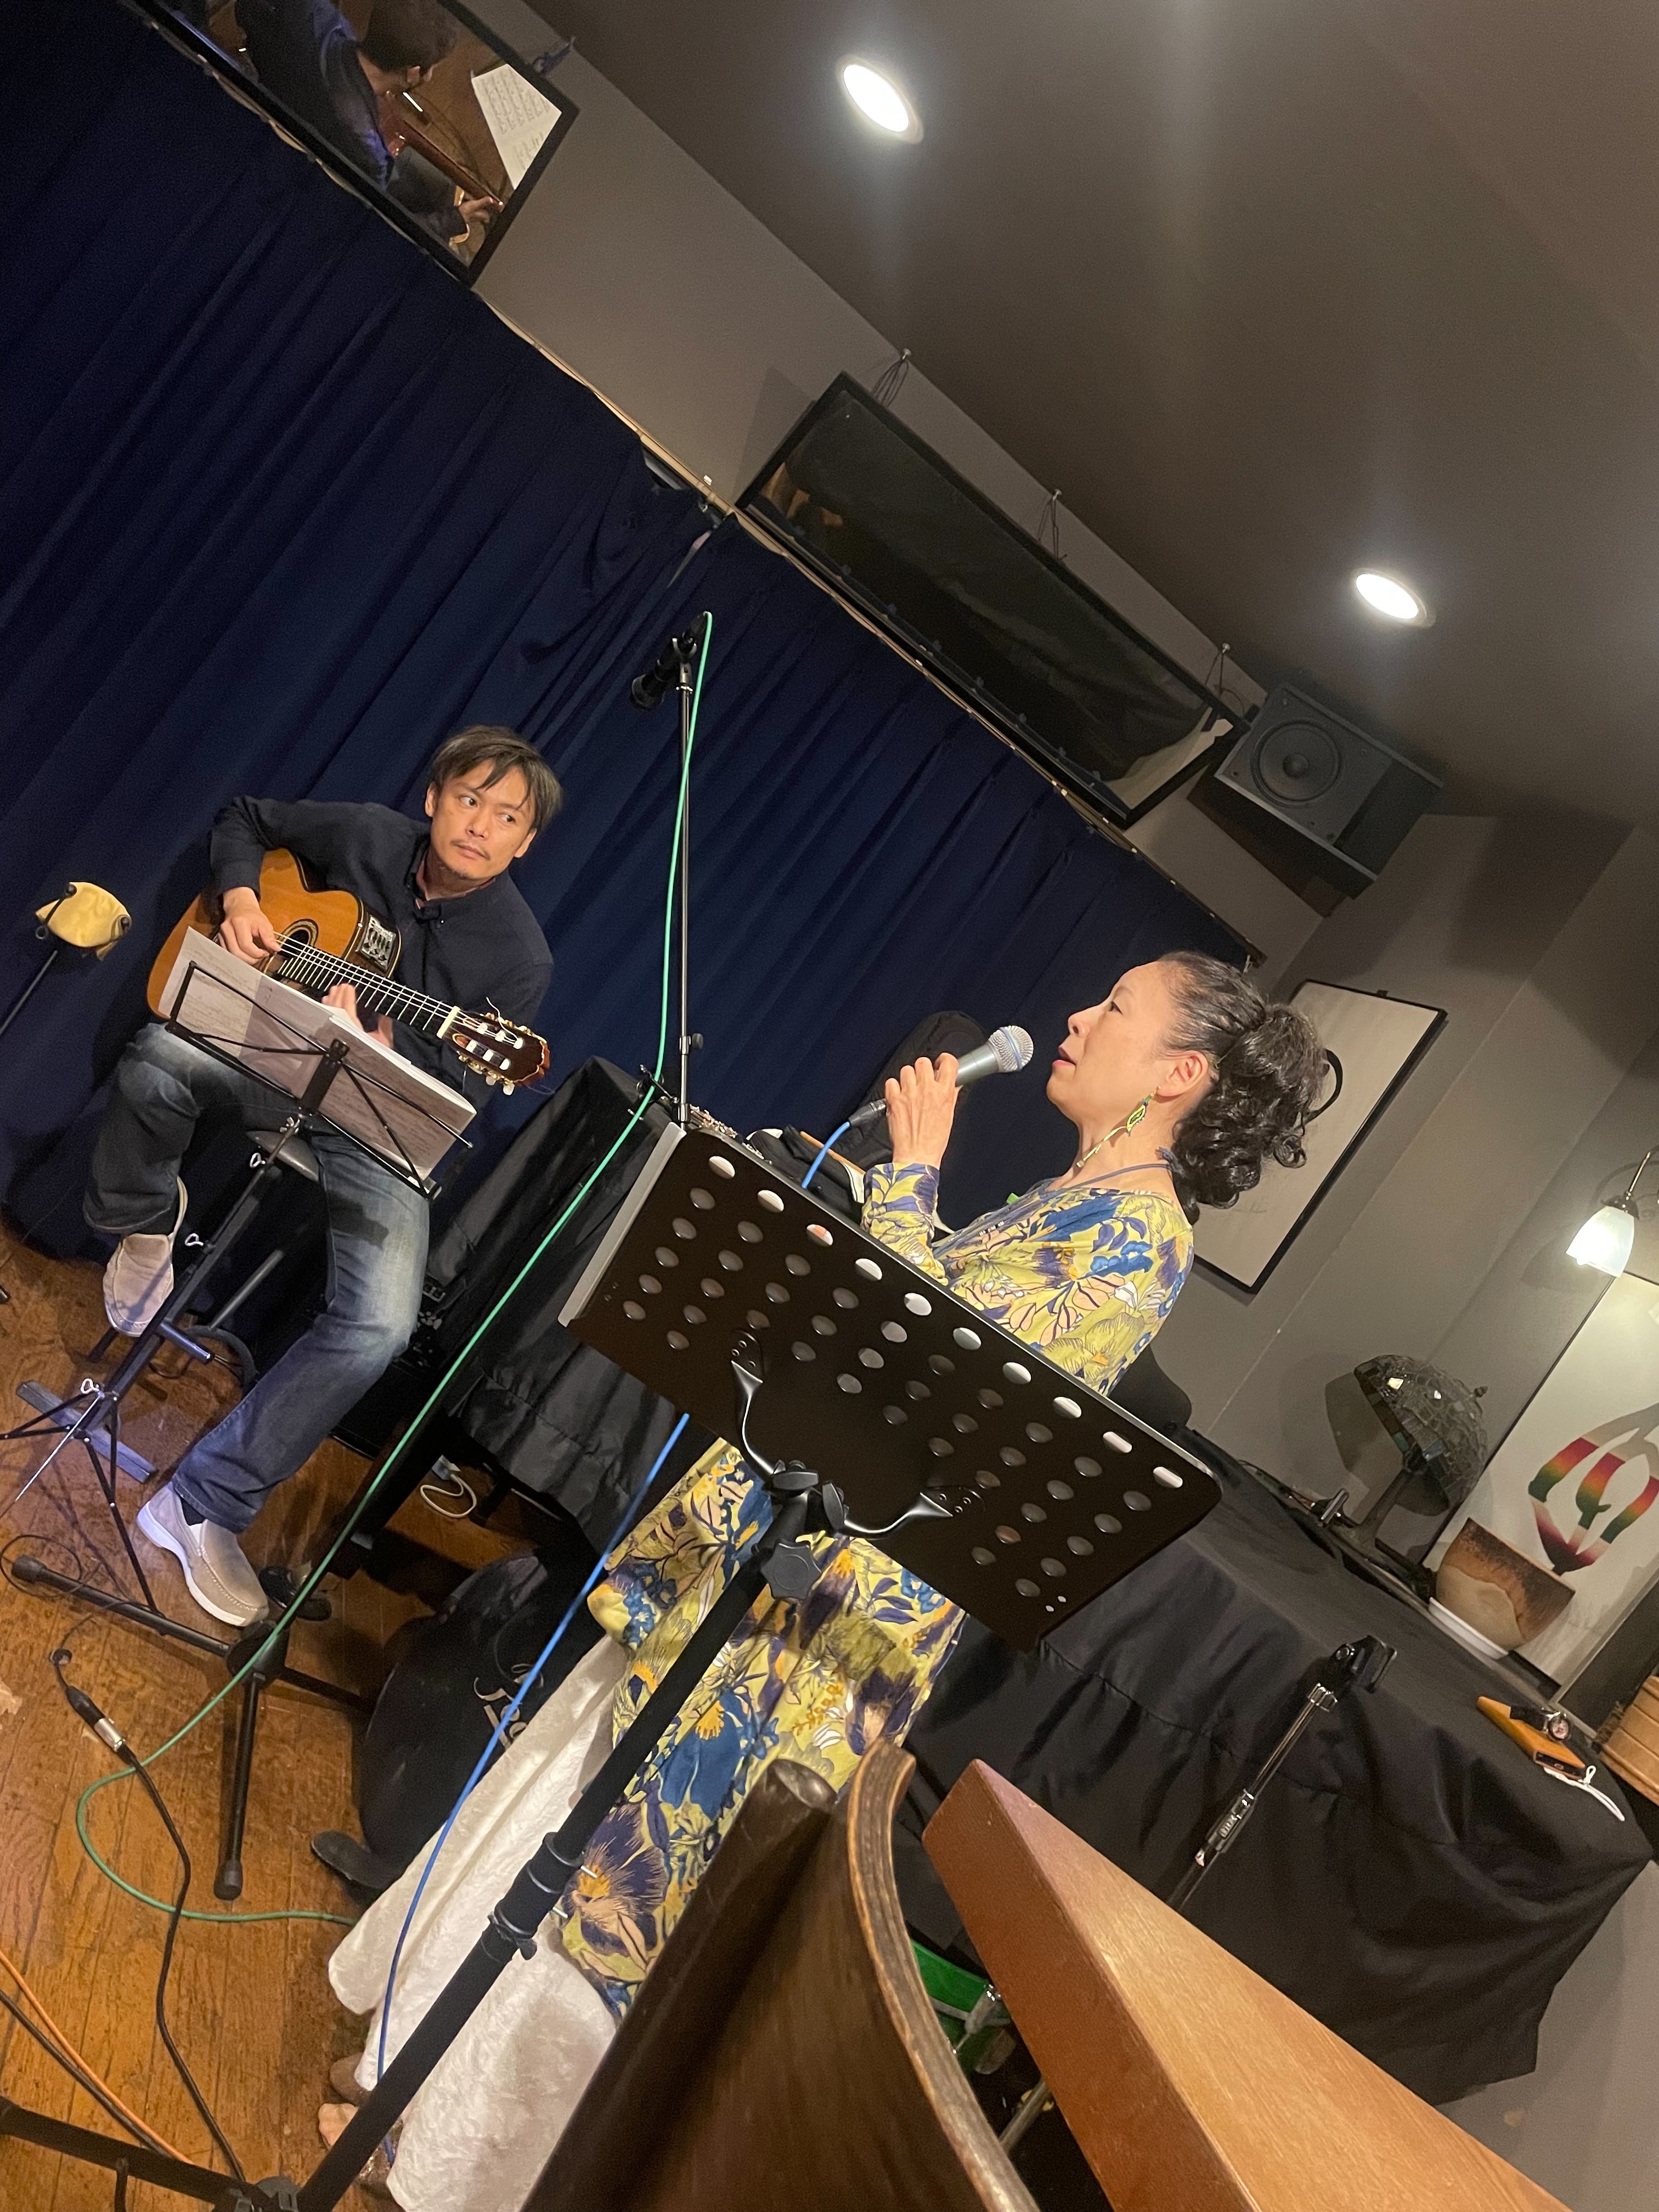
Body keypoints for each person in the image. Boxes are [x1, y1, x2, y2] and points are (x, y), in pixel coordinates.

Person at [322, 950, 1327, 2212]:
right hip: (773, 1576)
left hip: (817, 1632)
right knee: (581, 1803)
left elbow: (937, 1383)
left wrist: (912, 1177)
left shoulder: (1136, 1244)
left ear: (1178, 1075)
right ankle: (411, 2089)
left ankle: (456, 2169)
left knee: (626, 1883)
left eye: (1115, 1008)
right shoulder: (1076, 1199)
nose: (1078, 1016)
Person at [86, 727, 559, 1630]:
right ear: (435, 797)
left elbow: (462, 1092)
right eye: (469, 799)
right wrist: (239, 900)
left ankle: (202, 1503)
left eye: (507, 818)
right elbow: (245, 817)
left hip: (375, 1126)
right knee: (156, 1061)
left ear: (525, 844)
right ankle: (144, 1221)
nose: (480, 826)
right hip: (272, 1052)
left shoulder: (519, 956)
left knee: (380, 1326)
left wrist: (386, 1046)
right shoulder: (369, 834)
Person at [235, 0, 490, 245]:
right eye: (432, 68)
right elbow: (375, 227)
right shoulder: (368, 153)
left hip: (272, 109)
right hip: (316, 192)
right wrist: (452, 222)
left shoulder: (314, 12)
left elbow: (248, 8)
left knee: (437, 186)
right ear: (413, 73)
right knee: (437, 198)